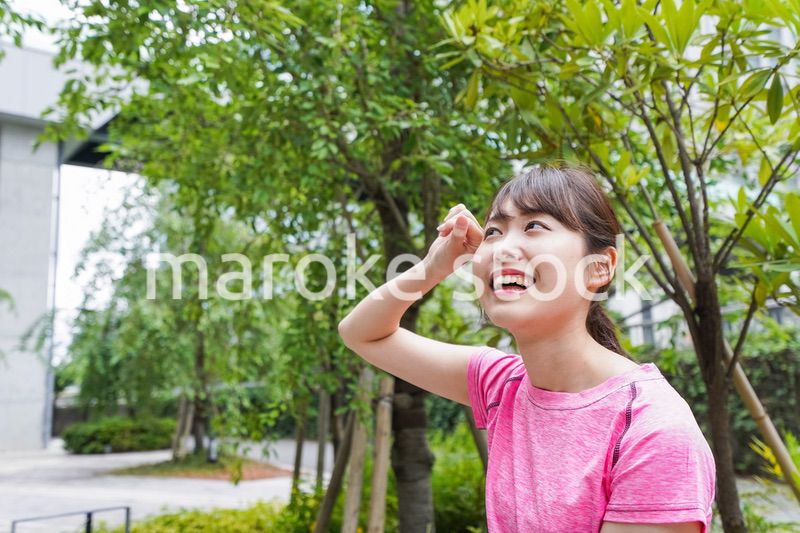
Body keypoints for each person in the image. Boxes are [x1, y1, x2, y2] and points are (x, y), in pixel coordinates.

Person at [338, 164, 716, 532]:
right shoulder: (503, 386)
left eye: (534, 226)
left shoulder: (654, 431)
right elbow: (362, 333)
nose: (503, 248)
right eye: (492, 232)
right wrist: (434, 266)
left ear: (600, 267)